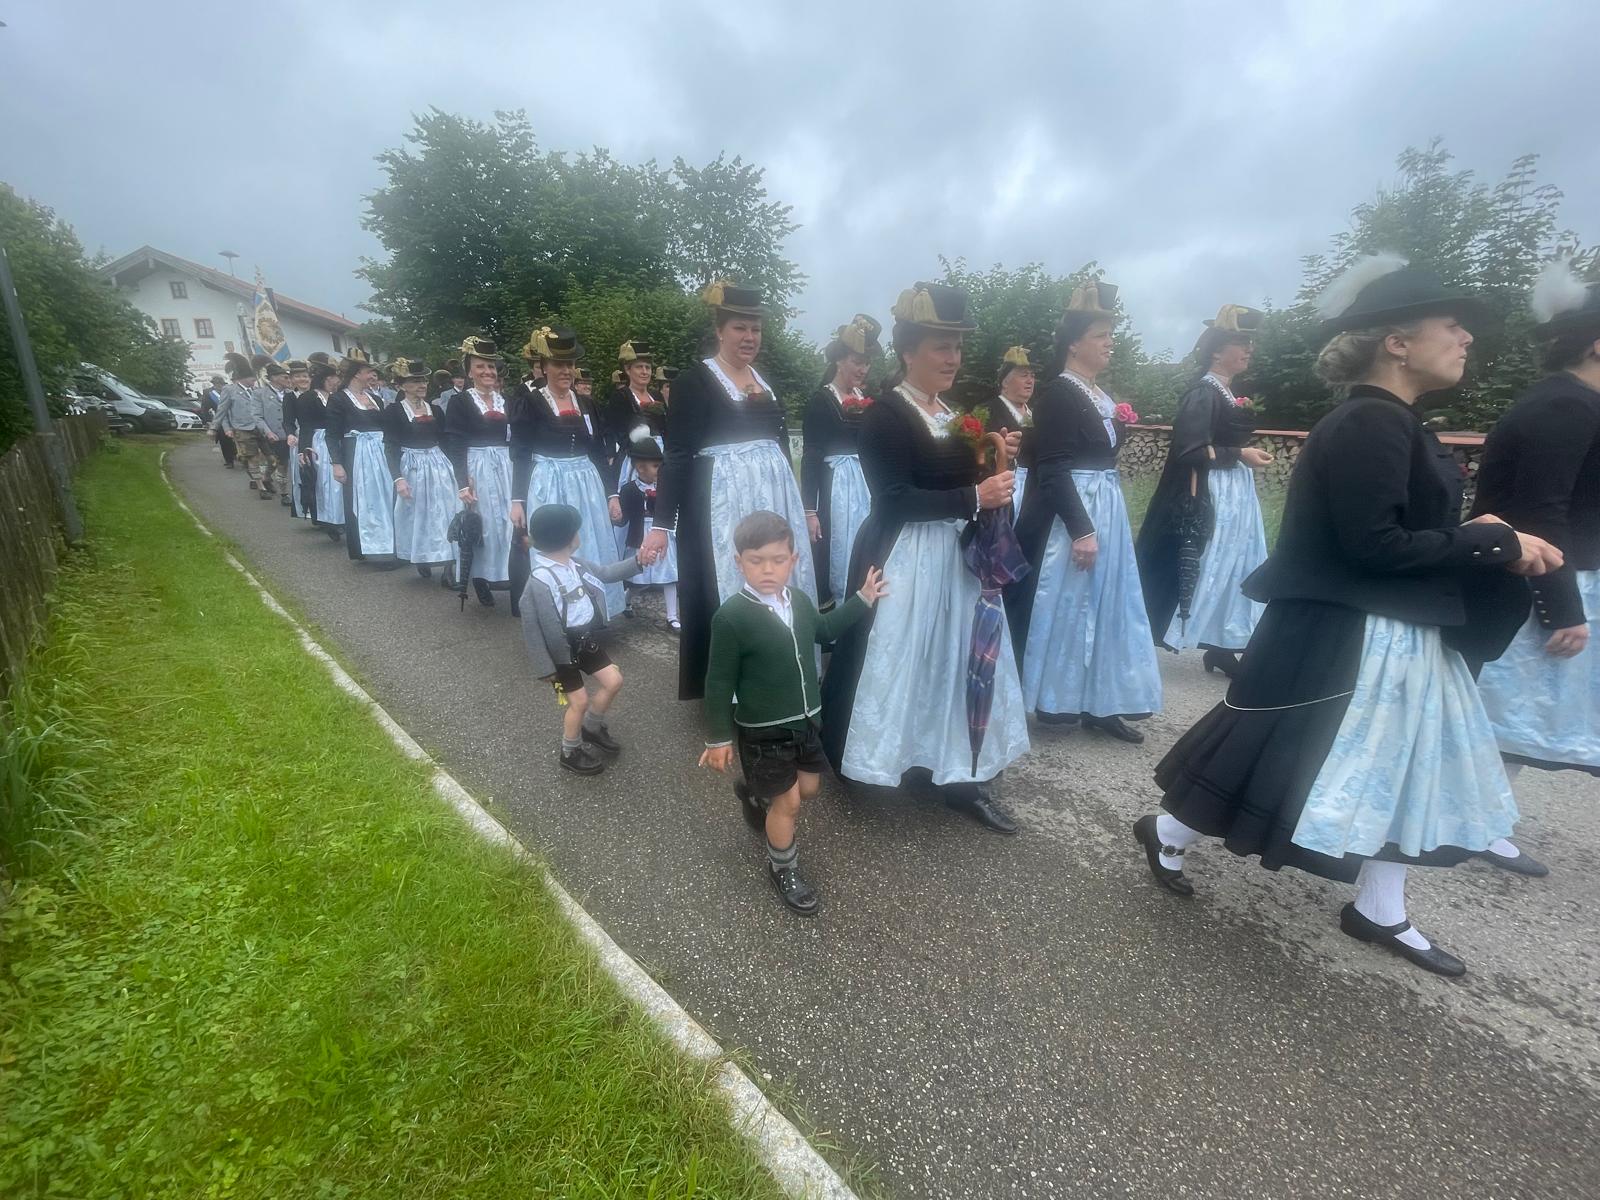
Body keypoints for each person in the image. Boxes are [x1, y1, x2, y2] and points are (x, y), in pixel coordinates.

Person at [1134, 256, 1563, 977]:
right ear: (1396, 342)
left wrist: (1484, 532)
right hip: (1355, 626)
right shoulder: (1371, 422)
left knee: (1389, 759)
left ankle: (1376, 904)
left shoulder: (1391, 421)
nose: (1465, 338)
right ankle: (1175, 830)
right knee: (1289, 748)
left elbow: (1395, 533)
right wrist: (1493, 542)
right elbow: (1375, 545)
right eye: (1451, 326)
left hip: (1385, 625)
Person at [819, 281, 1028, 834]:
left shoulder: (952, 413)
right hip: (902, 554)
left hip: (955, 559)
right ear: (908, 351)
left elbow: (956, 476)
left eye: (957, 347)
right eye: (941, 346)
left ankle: (958, 775)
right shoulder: (885, 415)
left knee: (954, 656)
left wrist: (991, 455)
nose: (953, 358)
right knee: (895, 656)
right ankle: (870, 755)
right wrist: (973, 496)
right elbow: (893, 498)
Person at [1471, 258, 1600, 875]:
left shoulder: (1574, 402)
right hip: (1534, 583)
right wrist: (1562, 606)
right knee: (1502, 710)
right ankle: (1472, 822)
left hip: (1557, 576)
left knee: (1513, 714)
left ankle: (1483, 820)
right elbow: (1539, 511)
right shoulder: (1566, 407)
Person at [700, 511, 888, 916]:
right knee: (788, 804)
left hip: (806, 724)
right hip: (763, 732)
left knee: (809, 789)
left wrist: (862, 599)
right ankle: (783, 868)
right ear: (739, 562)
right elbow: (718, 682)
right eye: (756, 561)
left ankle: (753, 790)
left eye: (778, 560)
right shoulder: (731, 617)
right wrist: (717, 737)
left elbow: (825, 630)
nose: (767, 569)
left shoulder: (799, 601)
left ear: (794, 559)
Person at [644, 281, 817, 700]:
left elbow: (779, 444)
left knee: (776, 576)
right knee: (730, 582)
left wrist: (799, 506)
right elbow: (678, 453)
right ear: (719, 330)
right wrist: (661, 524)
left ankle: (782, 670)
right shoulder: (695, 381)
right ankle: (736, 687)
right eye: (740, 328)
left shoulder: (763, 381)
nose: (749, 337)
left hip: (773, 498)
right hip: (721, 503)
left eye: (755, 329)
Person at [1007, 283, 1162, 743]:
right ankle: (1054, 697)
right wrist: (1081, 530)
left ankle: (1102, 700)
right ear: (1074, 343)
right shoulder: (1060, 394)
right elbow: (1052, 468)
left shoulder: (1099, 396)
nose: (1109, 342)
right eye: (1100, 335)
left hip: (1105, 507)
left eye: (1110, 334)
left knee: (1108, 603)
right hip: (1070, 517)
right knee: (1069, 607)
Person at [1136, 304, 1273, 676]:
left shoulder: (1225, 393)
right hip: (1209, 493)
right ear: (1216, 351)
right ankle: (1139, 643)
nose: (1248, 350)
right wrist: (1239, 454)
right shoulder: (1203, 393)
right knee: (1203, 565)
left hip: (1232, 494)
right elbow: (1189, 450)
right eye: (1240, 343)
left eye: (1249, 343)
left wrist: (1240, 455)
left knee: (1232, 566)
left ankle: (1222, 646)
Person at [518, 503, 647, 776]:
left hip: (585, 641)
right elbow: (531, 629)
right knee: (578, 702)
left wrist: (639, 561)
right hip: (561, 654)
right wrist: (545, 669)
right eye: (576, 531)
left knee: (614, 681)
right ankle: (569, 751)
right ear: (567, 538)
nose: (579, 535)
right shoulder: (539, 581)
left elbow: (607, 574)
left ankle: (591, 727)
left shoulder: (577, 565)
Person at [510, 326, 626, 617]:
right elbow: (521, 453)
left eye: (570, 364)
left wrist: (611, 494)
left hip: (586, 483)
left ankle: (594, 612)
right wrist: (517, 500)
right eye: (558, 364)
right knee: (555, 548)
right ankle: (561, 614)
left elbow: (598, 452)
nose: (565, 370)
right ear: (544, 367)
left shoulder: (587, 404)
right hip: (549, 481)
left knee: (591, 545)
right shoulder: (531, 403)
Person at [800, 314, 881, 609]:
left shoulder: (866, 398)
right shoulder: (821, 401)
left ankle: (863, 606)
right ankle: (833, 614)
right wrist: (810, 511)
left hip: (865, 487)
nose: (863, 369)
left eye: (866, 363)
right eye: (857, 362)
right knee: (834, 549)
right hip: (833, 490)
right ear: (838, 361)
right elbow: (811, 456)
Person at [442, 336, 516, 606]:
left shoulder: (506, 400)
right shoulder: (460, 402)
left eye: (491, 366)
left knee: (508, 522)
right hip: (477, 468)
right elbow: (455, 443)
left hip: (505, 466)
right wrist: (463, 481)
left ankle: (509, 572)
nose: (488, 371)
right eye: (481, 366)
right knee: (482, 524)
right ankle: (480, 579)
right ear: (469, 371)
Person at [383, 357, 459, 579]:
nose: (422, 385)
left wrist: (457, 470)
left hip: (438, 465)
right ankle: (421, 555)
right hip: (412, 466)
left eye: (424, 380)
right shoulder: (394, 411)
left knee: (445, 512)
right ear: (401, 385)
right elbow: (391, 446)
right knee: (417, 515)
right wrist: (398, 478)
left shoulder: (435, 409)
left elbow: (446, 441)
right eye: (415, 381)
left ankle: (448, 565)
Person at [325, 350, 394, 562]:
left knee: (385, 498)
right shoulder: (338, 399)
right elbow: (332, 434)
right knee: (364, 500)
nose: (372, 376)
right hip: (356, 455)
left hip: (380, 454)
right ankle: (369, 549)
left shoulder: (375, 399)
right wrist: (337, 463)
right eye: (368, 372)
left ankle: (389, 545)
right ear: (357, 374)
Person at [614, 435, 680, 629]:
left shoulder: (666, 489)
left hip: (662, 534)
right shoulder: (629, 490)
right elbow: (624, 518)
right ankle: (626, 600)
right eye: (656, 466)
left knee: (669, 575)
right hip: (639, 538)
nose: (660, 470)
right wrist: (618, 518)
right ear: (640, 468)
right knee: (641, 580)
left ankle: (672, 616)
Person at [607, 339, 667, 491]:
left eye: (648, 367)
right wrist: (646, 456)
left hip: (661, 457)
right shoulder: (621, 396)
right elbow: (619, 432)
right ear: (628, 370)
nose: (645, 371)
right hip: (636, 458)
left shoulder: (656, 396)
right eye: (639, 367)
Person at [988, 345, 1038, 516]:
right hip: (1004, 497)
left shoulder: (1037, 415)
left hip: (1035, 495)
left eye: (1032, 376)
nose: (1030, 381)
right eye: (1024, 376)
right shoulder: (987, 411)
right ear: (1005, 382)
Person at [215, 352, 272, 492]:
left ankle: (262, 479)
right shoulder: (229, 391)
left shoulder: (256, 390)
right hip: (241, 429)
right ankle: (258, 482)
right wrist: (227, 428)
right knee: (250, 457)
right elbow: (223, 412)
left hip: (259, 428)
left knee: (269, 458)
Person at [281, 359, 313, 519]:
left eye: (305, 376)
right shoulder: (290, 397)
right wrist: (290, 434)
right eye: (298, 376)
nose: (303, 379)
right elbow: (287, 421)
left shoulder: (318, 394)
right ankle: (307, 508)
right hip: (300, 438)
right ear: (292, 380)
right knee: (304, 473)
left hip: (320, 437)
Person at [260, 359, 294, 508]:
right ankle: (274, 484)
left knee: (283, 463)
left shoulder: (291, 393)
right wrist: (268, 432)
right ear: (274, 378)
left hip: (290, 434)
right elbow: (257, 416)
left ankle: (280, 489)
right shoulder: (260, 394)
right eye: (284, 377)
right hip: (272, 435)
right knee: (277, 463)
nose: (288, 379)